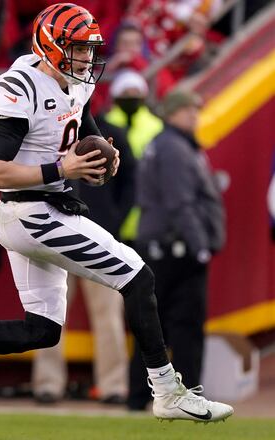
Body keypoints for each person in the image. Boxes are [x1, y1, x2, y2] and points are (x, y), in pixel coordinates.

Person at [0, 3, 233, 423]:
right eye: (78, 49)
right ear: (50, 45)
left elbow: (83, 127)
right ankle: (166, 391)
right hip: (29, 212)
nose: (87, 59)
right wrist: (63, 169)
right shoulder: (21, 85)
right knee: (137, 275)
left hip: (44, 209)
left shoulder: (74, 83)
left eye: (90, 49)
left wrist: (104, 160)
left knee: (42, 330)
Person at [128, 90, 225, 411]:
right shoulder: (174, 149)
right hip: (175, 249)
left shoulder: (171, 145)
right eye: (188, 110)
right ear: (171, 113)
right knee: (184, 327)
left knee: (156, 326)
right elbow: (180, 202)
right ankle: (189, 396)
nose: (194, 115)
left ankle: (141, 395)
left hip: (164, 246)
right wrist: (199, 245)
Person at [32, 118, 135, 406]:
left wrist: (113, 221)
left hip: (98, 238)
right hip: (58, 236)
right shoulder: (47, 129)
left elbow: (131, 181)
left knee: (108, 317)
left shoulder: (111, 133)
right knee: (50, 316)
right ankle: (47, 384)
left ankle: (113, 386)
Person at [102, 70, 163, 243]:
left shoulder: (156, 126)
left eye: (136, 93)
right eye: (126, 93)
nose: (131, 97)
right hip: (115, 194)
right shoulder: (105, 125)